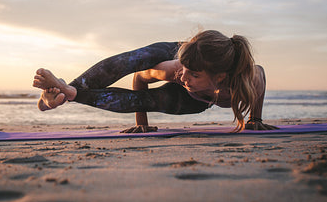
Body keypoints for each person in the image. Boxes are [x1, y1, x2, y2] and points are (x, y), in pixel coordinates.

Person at [33, 30, 277, 133]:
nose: (184, 77)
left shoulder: (248, 78)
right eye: (185, 71)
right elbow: (139, 77)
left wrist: (255, 120)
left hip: (195, 95)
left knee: (161, 101)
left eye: (194, 75)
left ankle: (62, 92)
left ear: (220, 78)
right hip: (176, 52)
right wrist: (142, 123)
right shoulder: (175, 69)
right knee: (138, 60)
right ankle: (66, 91)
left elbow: (261, 79)